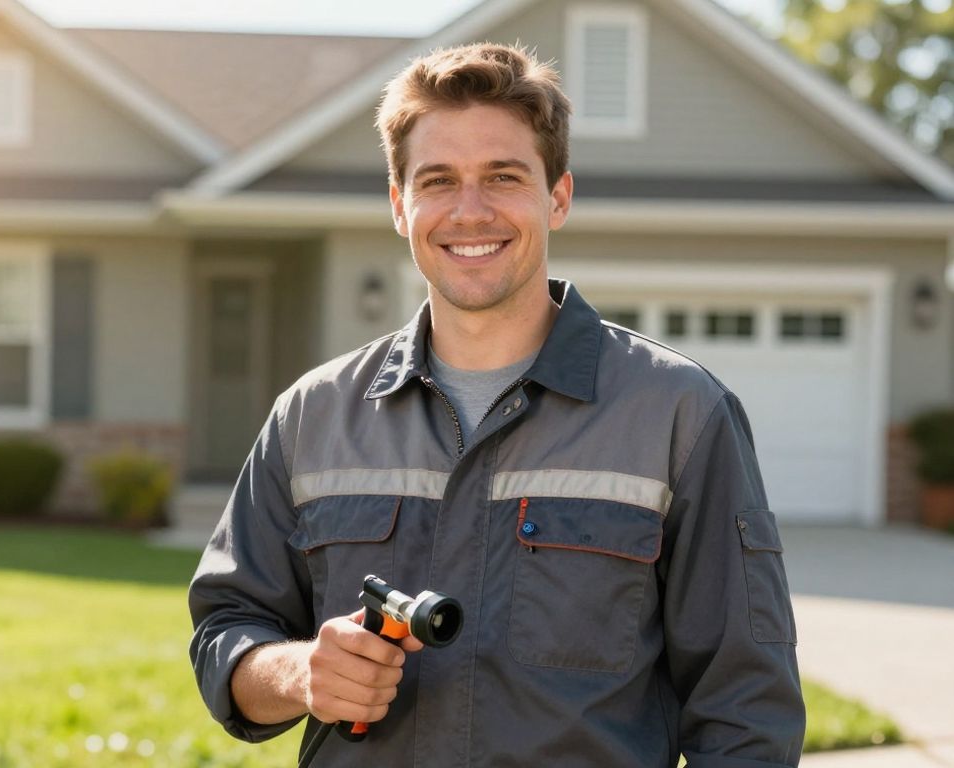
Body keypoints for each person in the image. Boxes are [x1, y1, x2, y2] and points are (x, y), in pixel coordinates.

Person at [189, 42, 805, 767]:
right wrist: (301, 674)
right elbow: (226, 631)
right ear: (399, 206)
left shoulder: (680, 415)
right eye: (438, 180)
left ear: (559, 197)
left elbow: (745, 715)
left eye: (503, 177)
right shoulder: (312, 417)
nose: (470, 211)